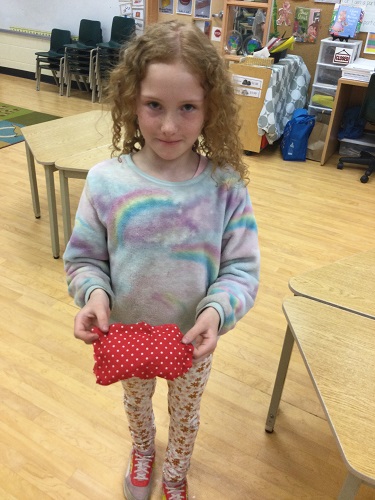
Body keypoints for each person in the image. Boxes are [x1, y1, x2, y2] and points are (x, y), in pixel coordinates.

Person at [63, 20, 260, 500]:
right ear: (132, 100)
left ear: (209, 109)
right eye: (154, 105)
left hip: (193, 340)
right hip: (127, 333)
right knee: (136, 406)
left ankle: (174, 473)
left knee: (186, 414)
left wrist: (217, 311)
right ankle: (144, 452)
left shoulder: (225, 185)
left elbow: (242, 269)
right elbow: (85, 258)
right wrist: (93, 294)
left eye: (187, 108)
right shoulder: (106, 182)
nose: (169, 126)